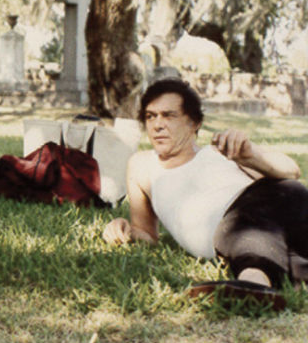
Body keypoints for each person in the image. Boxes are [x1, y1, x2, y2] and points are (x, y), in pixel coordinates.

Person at [102, 77, 307, 303]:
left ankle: (253, 282)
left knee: (274, 200)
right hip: (235, 229)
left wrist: (252, 156)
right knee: (284, 255)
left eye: (169, 115)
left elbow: (291, 174)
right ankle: (261, 282)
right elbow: (148, 235)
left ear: (194, 123)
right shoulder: (142, 165)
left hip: (270, 203)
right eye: (151, 116)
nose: (157, 125)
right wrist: (124, 230)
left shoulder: (220, 151)